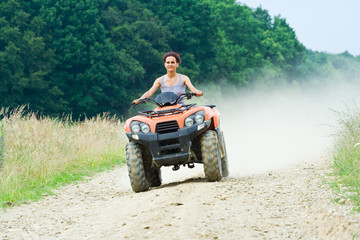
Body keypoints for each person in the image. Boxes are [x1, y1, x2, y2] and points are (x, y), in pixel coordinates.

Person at [133, 51, 203, 105]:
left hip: (181, 109)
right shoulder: (159, 80)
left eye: (172, 62)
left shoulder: (184, 78)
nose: (170, 65)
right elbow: (149, 93)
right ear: (165, 64)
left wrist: (197, 92)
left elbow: (194, 90)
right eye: (168, 62)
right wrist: (140, 99)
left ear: (177, 64)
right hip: (165, 109)